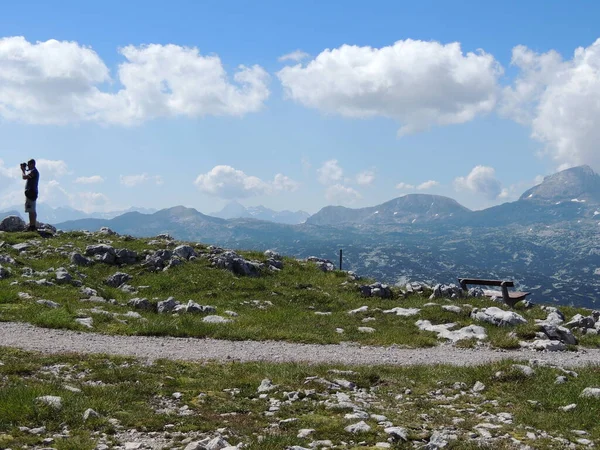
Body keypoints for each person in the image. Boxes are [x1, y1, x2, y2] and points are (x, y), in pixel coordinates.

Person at [21, 159, 39, 231]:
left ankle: (32, 226)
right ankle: (32, 225)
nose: (28, 166)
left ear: (32, 164)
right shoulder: (34, 171)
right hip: (32, 192)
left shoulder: (34, 172)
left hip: (31, 193)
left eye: (29, 164)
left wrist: (23, 170)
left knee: (31, 210)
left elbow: (24, 177)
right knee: (31, 209)